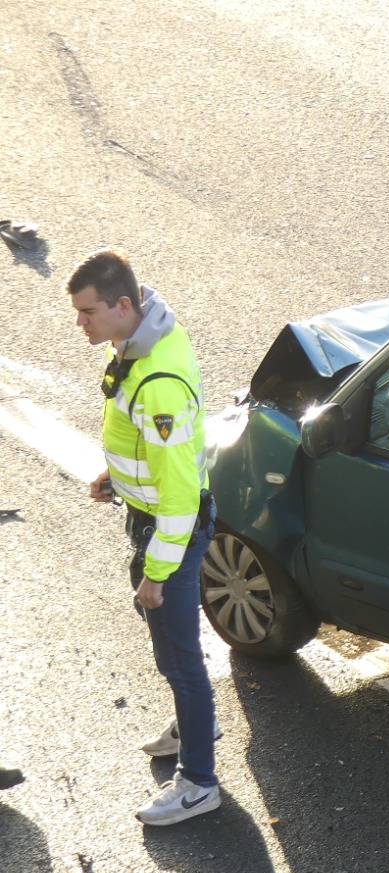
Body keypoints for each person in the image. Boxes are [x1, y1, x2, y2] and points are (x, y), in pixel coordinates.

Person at [70, 249, 220, 826]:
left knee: (179, 657)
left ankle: (199, 782)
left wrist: (157, 574)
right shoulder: (143, 338)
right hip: (154, 515)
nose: (80, 323)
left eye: (87, 312)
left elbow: (180, 494)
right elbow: (153, 449)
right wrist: (119, 476)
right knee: (173, 646)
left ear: (123, 305)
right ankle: (194, 725)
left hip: (170, 531)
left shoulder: (156, 380)